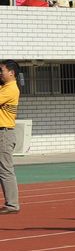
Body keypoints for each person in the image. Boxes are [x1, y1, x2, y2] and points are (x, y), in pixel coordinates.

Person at [0, 60, 21, 215]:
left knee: (5, 169)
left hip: (4, 133)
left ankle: (12, 204)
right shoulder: (4, 87)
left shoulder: (11, 89)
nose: (0, 73)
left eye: (2, 71)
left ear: (11, 73)